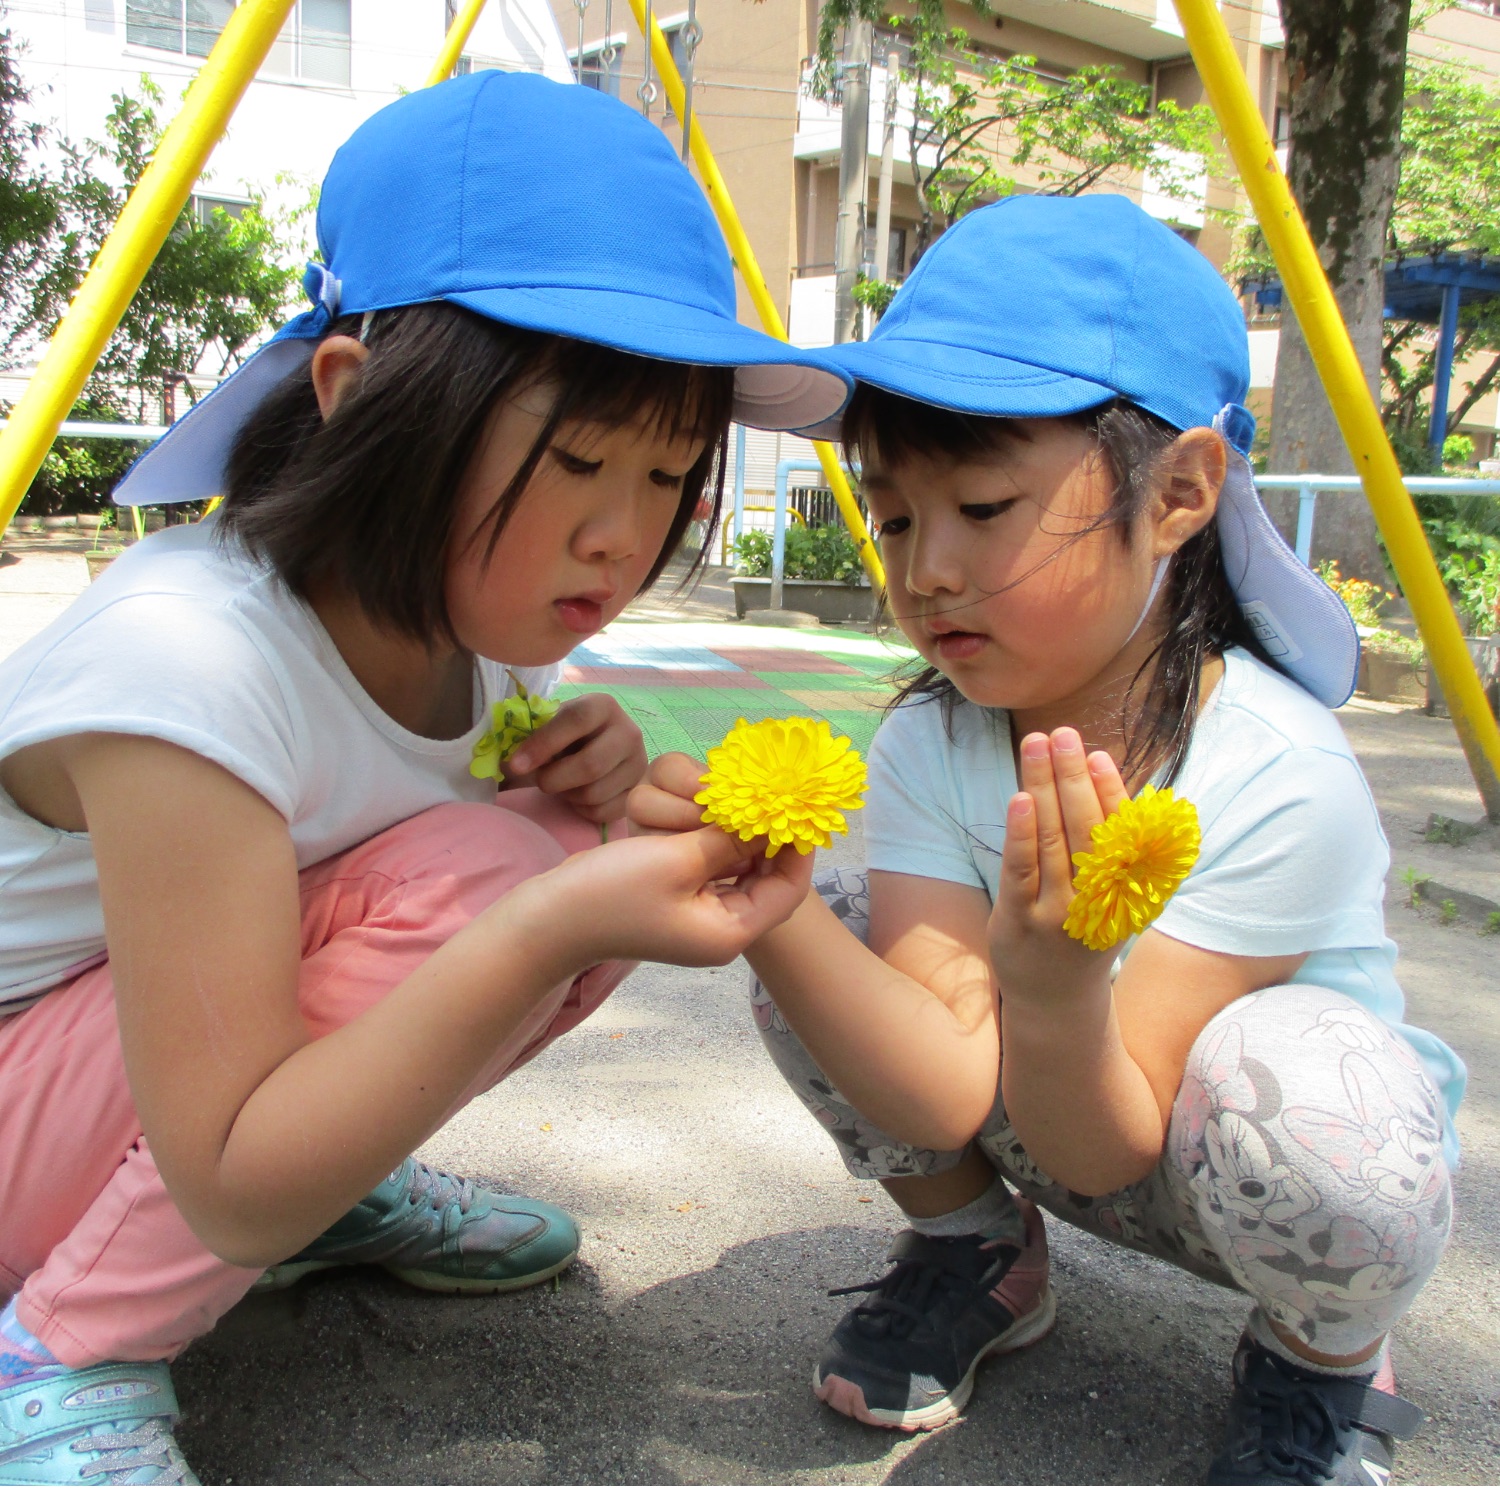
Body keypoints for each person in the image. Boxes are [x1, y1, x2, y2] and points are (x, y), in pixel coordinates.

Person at [0, 72, 843, 1485]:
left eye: (668, 475)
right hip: (68, 1116)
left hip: (123, 1097)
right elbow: (247, 1140)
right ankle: (65, 1350)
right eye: (580, 459)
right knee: (513, 883)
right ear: (359, 400)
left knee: (548, 849)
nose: (622, 539)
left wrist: (598, 792)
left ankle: (310, 1194)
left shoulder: (462, 633)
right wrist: (555, 914)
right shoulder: (188, 663)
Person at [630, 195, 1464, 1485]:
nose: (926, 572)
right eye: (897, 518)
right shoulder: (938, 740)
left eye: (985, 505)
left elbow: (1111, 1148)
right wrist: (775, 906)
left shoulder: (1276, 771)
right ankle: (977, 1249)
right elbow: (942, 1085)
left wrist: (1061, 979)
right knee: (832, 913)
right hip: (1043, 1108)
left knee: (1327, 1124)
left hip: (1240, 1169)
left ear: (1180, 491)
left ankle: (1323, 1356)